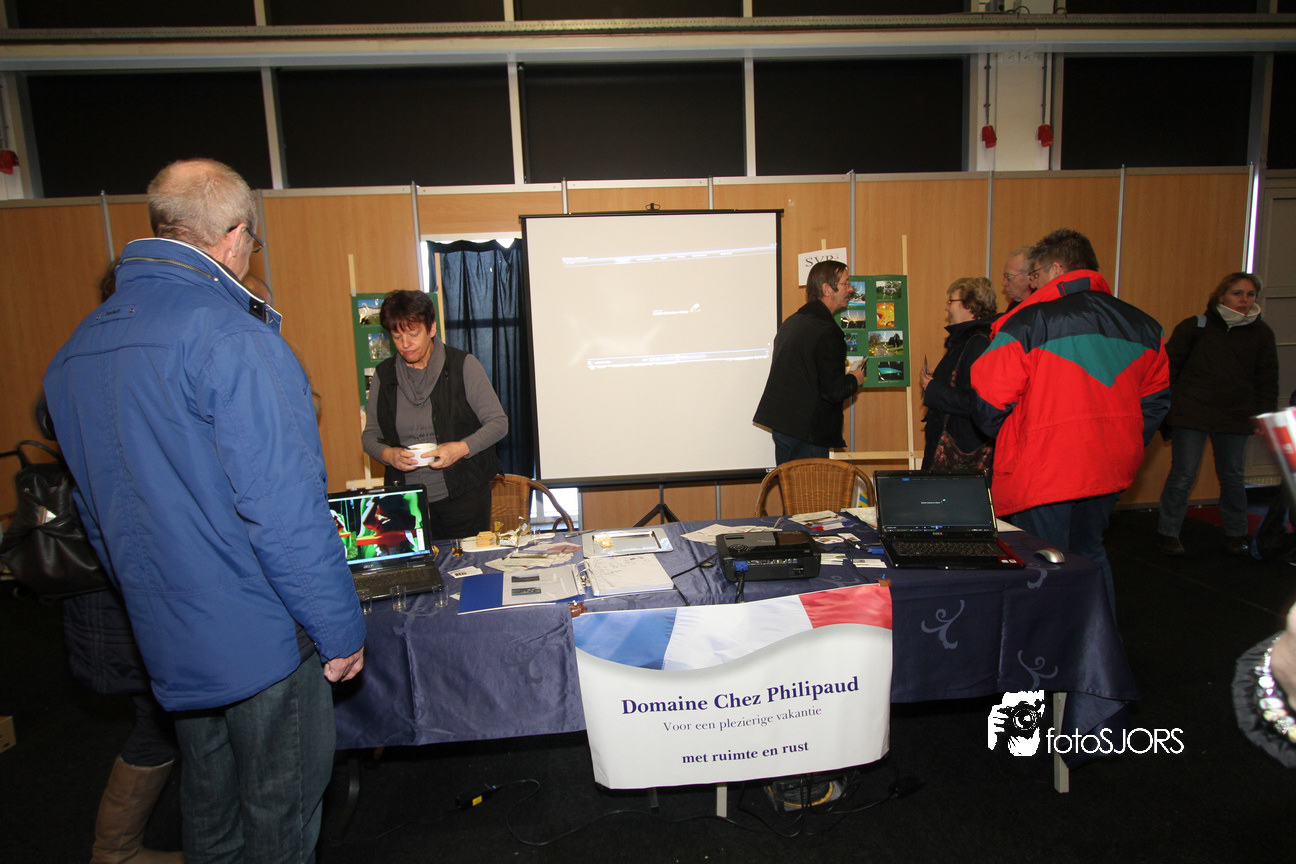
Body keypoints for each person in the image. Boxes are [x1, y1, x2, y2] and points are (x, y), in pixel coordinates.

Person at [44, 158, 366, 863]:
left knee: (210, 818)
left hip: (169, 634)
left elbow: (99, 519)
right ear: (235, 237)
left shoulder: (74, 353)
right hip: (263, 639)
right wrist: (340, 629)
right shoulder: (236, 340)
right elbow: (284, 511)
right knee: (280, 820)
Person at [971, 228, 1170, 612]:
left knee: (1041, 559)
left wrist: (1016, 437)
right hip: (1109, 466)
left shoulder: (1027, 322)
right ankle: (1099, 639)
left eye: (1036, 274)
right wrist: (1121, 441)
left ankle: (1046, 644)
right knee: (1090, 552)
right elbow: (1156, 403)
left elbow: (987, 399)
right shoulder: (1144, 324)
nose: (1033, 282)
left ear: (1057, 269)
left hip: (1045, 466)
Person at [361, 289, 508, 540]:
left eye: (413, 334)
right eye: (397, 336)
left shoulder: (462, 365)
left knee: (465, 562)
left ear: (431, 329)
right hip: (407, 503)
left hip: (464, 498)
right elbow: (370, 436)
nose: (405, 344)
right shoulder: (384, 376)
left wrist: (461, 448)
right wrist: (388, 455)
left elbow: (498, 423)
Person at [1154, 273, 1277, 557]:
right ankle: (1168, 532)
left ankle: (1237, 533)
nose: (1244, 300)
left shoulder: (1262, 333)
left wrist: (1263, 415)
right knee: (1184, 474)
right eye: (1237, 293)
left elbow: (1267, 378)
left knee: (1233, 476)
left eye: (1250, 294)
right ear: (1221, 296)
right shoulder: (1195, 326)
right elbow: (1168, 367)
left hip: (1236, 414)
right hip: (1192, 412)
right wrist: (1167, 407)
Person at [753, 260, 865, 465]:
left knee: (792, 486)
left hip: (784, 427)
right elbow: (833, 391)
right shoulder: (826, 331)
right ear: (827, 289)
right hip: (808, 432)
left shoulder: (792, 322)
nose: (851, 289)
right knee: (810, 487)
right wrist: (854, 379)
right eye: (846, 283)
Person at [919, 276, 998, 470]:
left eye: (951, 301)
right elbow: (960, 381)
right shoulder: (966, 340)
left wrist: (934, 388)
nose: (947, 308)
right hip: (954, 447)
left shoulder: (977, 343)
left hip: (961, 453)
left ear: (970, 305)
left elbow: (975, 401)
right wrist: (937, 378)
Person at [1000, 246, 1034, 312]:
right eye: (1005, 276)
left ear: (1031, 277)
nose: (1004, 283)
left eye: (1009, 277)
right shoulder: (1014, 305)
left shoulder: (1041, 311)